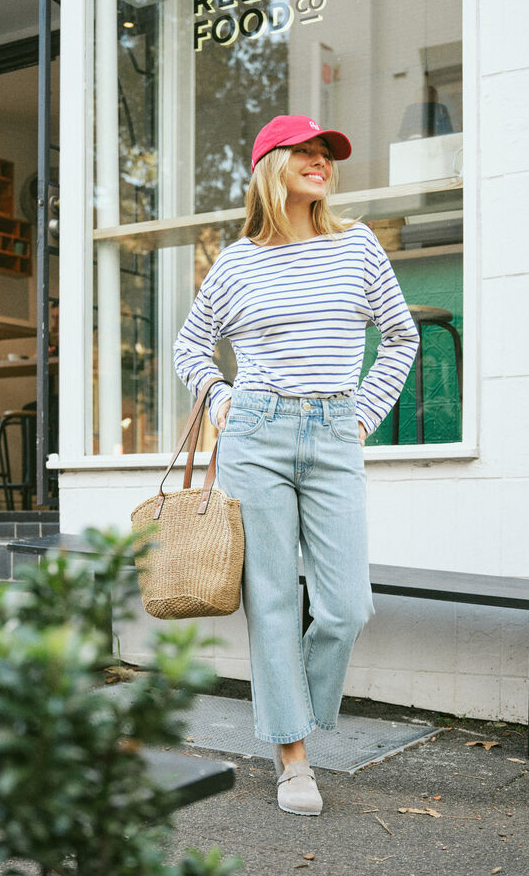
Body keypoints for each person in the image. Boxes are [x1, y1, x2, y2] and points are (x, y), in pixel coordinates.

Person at [173, 114, 419, 816]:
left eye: (325, 154)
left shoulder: (358, 246)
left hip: (336, 426)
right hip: (256, 433)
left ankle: (290, 706)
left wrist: (365, 412)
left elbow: (400, 338)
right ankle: (292, 758)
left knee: (345, 607)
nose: (320, 162)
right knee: (274, 603)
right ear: (269, 167)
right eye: (304, 152)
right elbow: (190, 347)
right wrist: (220, 397)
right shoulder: (236, 262)